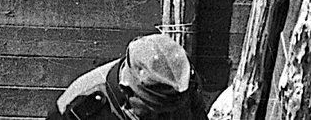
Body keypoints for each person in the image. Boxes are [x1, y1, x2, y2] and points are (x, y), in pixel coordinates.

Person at [45, 32, 198, 120]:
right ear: (128, 93)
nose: (163, 118)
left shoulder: (180, 82)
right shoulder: (81, 108)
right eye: (153, 111)